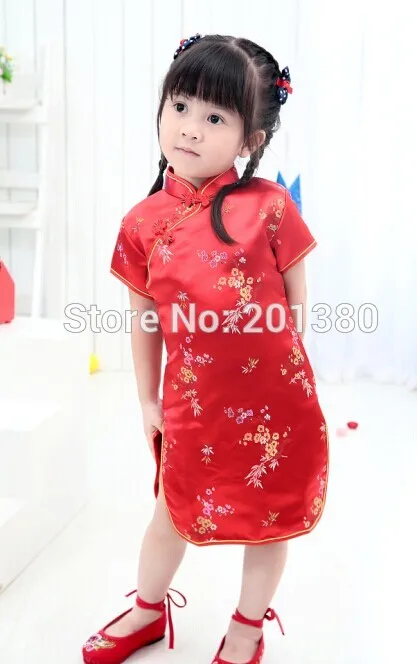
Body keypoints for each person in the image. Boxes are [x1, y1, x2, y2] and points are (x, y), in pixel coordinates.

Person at [82, 33, 329, 664]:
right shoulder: (141, 223)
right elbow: (144, 322)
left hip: (274, 405)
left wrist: (289, 383)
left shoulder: (270, 208)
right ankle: (147, 610)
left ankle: (247, 627)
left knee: (269, 518)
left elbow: (296, 306)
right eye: (180, 105)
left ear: (250, 139)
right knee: (171, 512)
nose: (190, 127)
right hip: (193, 407)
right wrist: (147, 400)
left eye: (215, 117)